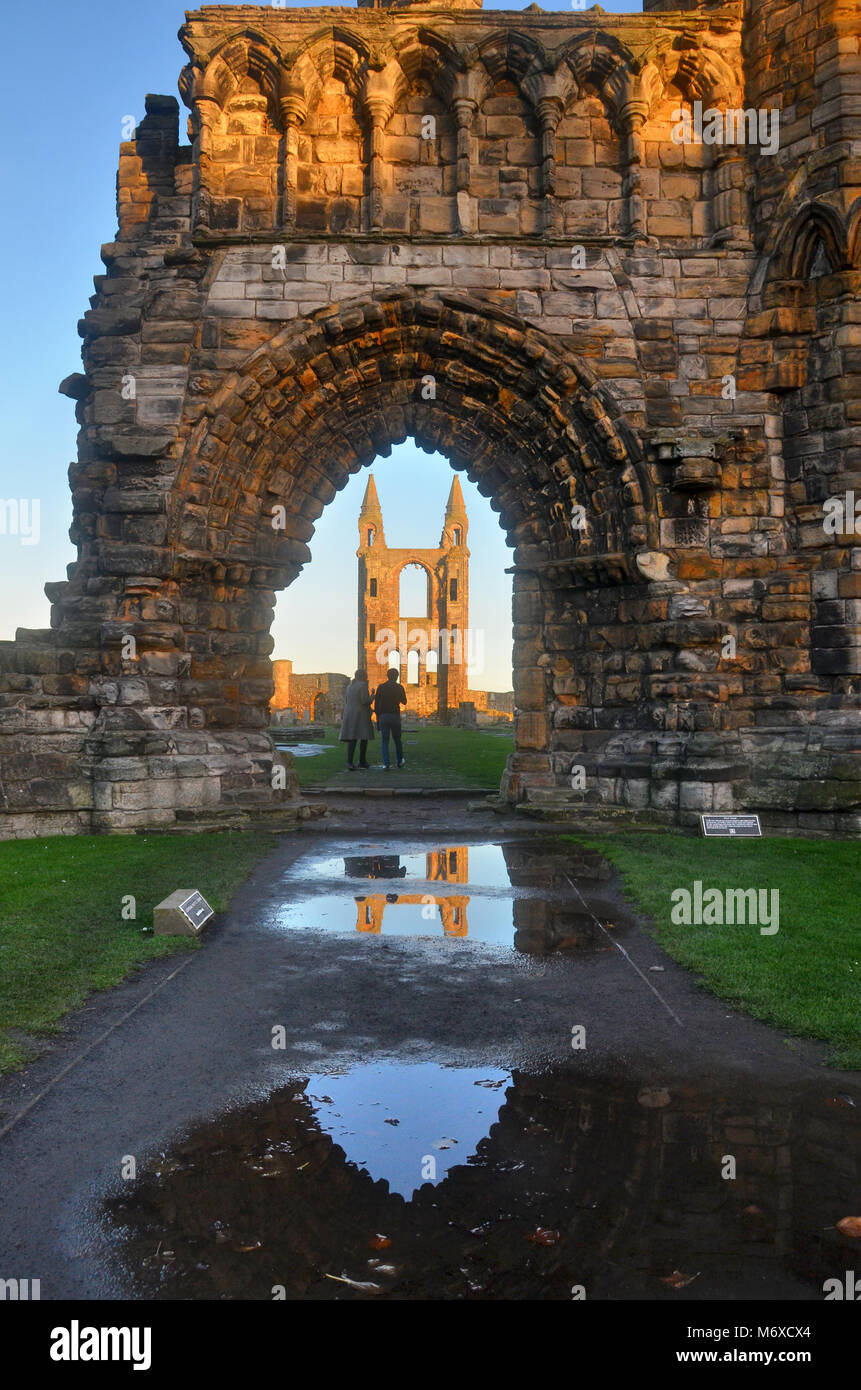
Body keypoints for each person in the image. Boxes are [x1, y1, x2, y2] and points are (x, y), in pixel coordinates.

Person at [339, 670, 374, 770]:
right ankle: (362, 761)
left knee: (352, 737)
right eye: (366, 675)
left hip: (350, 713)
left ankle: (349, 761)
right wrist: (372, 696)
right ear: (363, 676)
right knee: (364, 737)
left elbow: (347, 700)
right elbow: (364, 701)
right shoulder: (363, 685)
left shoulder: (349, 686)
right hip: (360, 714)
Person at [373, 667, 407, 769]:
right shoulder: (399, 687)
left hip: (383, 716)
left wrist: (378, 719)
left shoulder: (381, 687)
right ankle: (400, 761)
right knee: (397, 740)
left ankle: (386, 764)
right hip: (395, 715)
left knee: (385, 740)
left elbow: (376, 705)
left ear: (387, 676)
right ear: (397, 677)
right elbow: (404, 701)